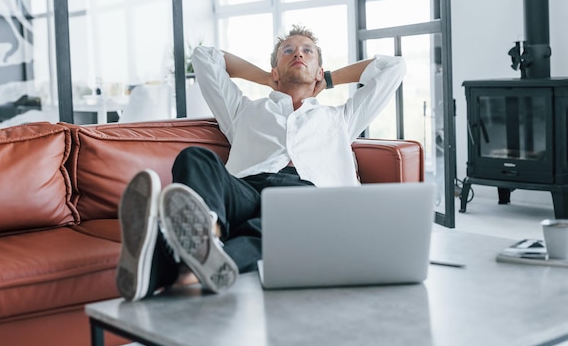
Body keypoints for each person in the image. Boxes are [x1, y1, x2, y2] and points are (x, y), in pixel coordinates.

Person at [115, 24, 406, 301]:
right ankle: (209, 237)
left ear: (318, 68)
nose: (298, 54)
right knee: (194, 158)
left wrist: (327, 79)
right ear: (275, 70)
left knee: (284, 213)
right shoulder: (244, 111)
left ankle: (161, 269)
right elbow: (205, 58)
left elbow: (393, 68)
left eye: (308, 51)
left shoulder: (340, 118)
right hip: (244, 191)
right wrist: (267, 78)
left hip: (305, 199)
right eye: (287, 51)